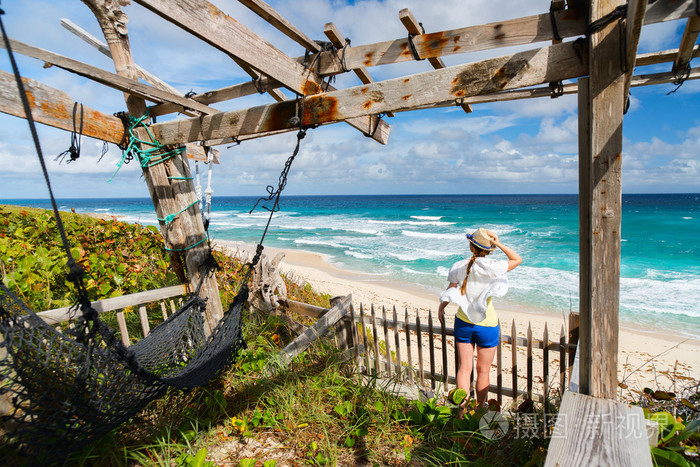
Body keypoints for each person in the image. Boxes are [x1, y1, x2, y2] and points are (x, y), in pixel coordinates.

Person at [438, 228, 522, 413]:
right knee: (483, 370)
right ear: (489, 249)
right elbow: (517, 259)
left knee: (465, 368)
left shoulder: (459, 265)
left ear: (471, 246)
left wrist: (441, 307)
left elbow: (451, 290)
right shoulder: (493, 265)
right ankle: (479, 411)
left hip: (463, 322)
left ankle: (462, 410)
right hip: (487, 325)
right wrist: (497, 243)